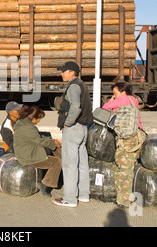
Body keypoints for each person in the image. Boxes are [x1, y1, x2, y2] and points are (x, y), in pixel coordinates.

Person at [53, 61, 93, 207]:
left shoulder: (73, 86)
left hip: (73, 128)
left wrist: (67, 122)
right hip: (83, 128)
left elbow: (75, 107)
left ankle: (69, 199)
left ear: (72, 72)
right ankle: (83, 195)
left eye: (64, 71)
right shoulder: (82, 84)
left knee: (69, 164)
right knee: (82, 164)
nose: (62, 74)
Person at [102, 81, 146, 208]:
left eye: (115, 93)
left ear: (123, 92)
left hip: (127, 138)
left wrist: (112, 100)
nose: (114, 96)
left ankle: (124, 200)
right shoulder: (133, 100)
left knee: (124, 168)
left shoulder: (122, 99)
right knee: (128, 166)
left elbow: (105, 106)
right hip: (138, 134)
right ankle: (125, 196)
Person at [13, 105, 62, 197]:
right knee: (57, 162)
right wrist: (53, 144)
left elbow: (36, 137)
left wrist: (53, 142)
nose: (39, 121)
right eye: (38, 118)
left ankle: (62, 170)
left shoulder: (23, 123)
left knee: (53, 144)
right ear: (33, 118)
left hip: (28, 150)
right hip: (28, 157)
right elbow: (39, 141)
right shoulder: (28, 128)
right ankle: (45, 184)